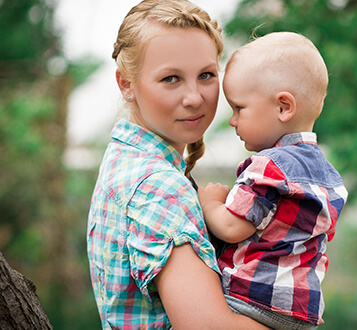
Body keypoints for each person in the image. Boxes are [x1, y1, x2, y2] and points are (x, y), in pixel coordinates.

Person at [86, 1, 267, 328]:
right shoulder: (156, 185)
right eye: (171, 79)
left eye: (206, 75)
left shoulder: (125, 158)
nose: (195, 97)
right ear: (126, 84)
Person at [198, 32, 349, 329]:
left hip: (253, 298)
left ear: (283, 107)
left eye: (239, 108)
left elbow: (231, 227)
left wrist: (211, 203)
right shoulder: (330, 177)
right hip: (301, 311)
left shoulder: (268, 167)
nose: (232, 120)